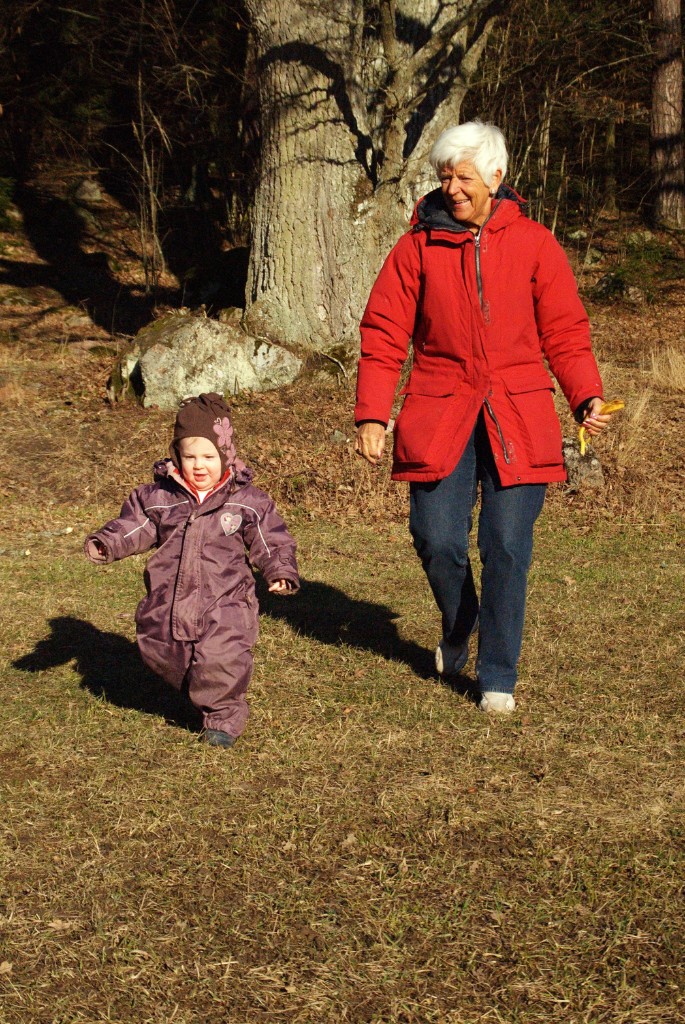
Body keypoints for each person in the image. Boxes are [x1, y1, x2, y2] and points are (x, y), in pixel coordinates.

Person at [354, 120, 619, 715]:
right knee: (436, 536)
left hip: (518, 414)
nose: (452, 188)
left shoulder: (535, 244)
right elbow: (384, 332)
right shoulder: (415, 246)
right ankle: (459, 619)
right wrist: (372, 413)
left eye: (464, 177)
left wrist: (586, 396)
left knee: (505, 544)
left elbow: (566, 331)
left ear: (497, 177)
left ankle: (497, 672)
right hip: (439, 408)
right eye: (445, 177)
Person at [84, 392, 299, 747]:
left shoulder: (246, 502)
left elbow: (271, 538)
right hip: (167, 599)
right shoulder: (159, 498)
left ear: (226, 455)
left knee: (221, 659)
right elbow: (134, 526)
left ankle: (223, 719)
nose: (199, 465)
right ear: (176, 456)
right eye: (190, 456)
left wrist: (279, 569)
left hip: (226, 602)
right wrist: (109, 542)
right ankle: (197, 690)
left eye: (209, 456)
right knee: (160, 652)